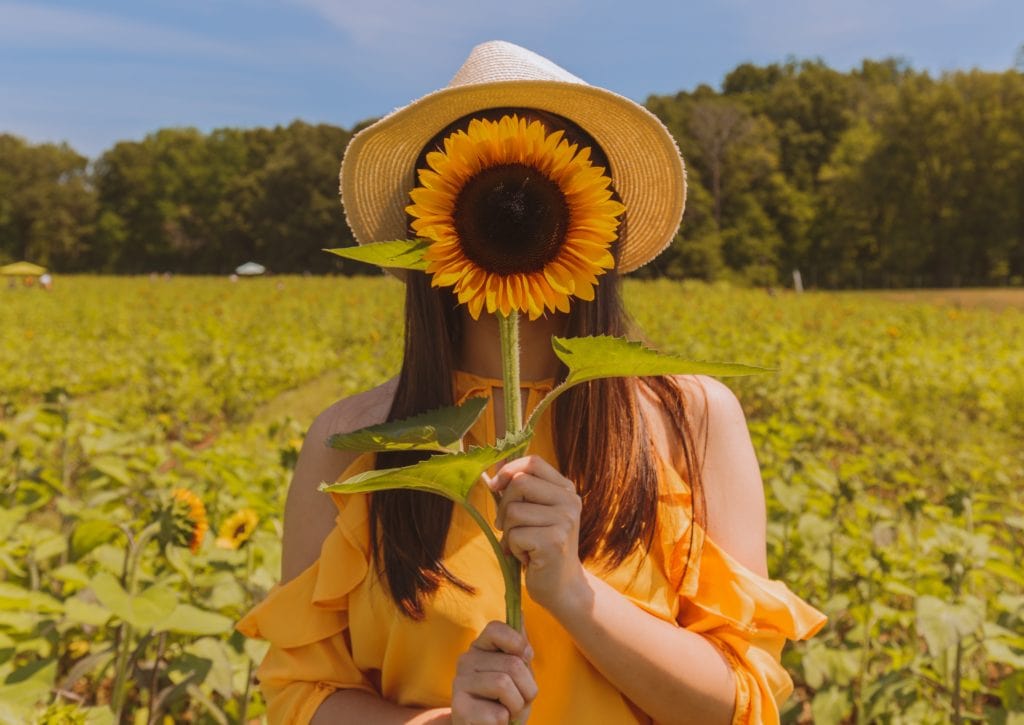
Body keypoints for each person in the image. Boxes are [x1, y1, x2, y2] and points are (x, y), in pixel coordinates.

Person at [238, 40, 826, 724]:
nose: (513, 207)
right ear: (433, 224)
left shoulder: (689, 418)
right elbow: (299, 696)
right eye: (492, 190)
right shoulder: (353, 445)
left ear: (593, 217)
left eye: (535, 187)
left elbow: (741, 702)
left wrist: (575, 595)